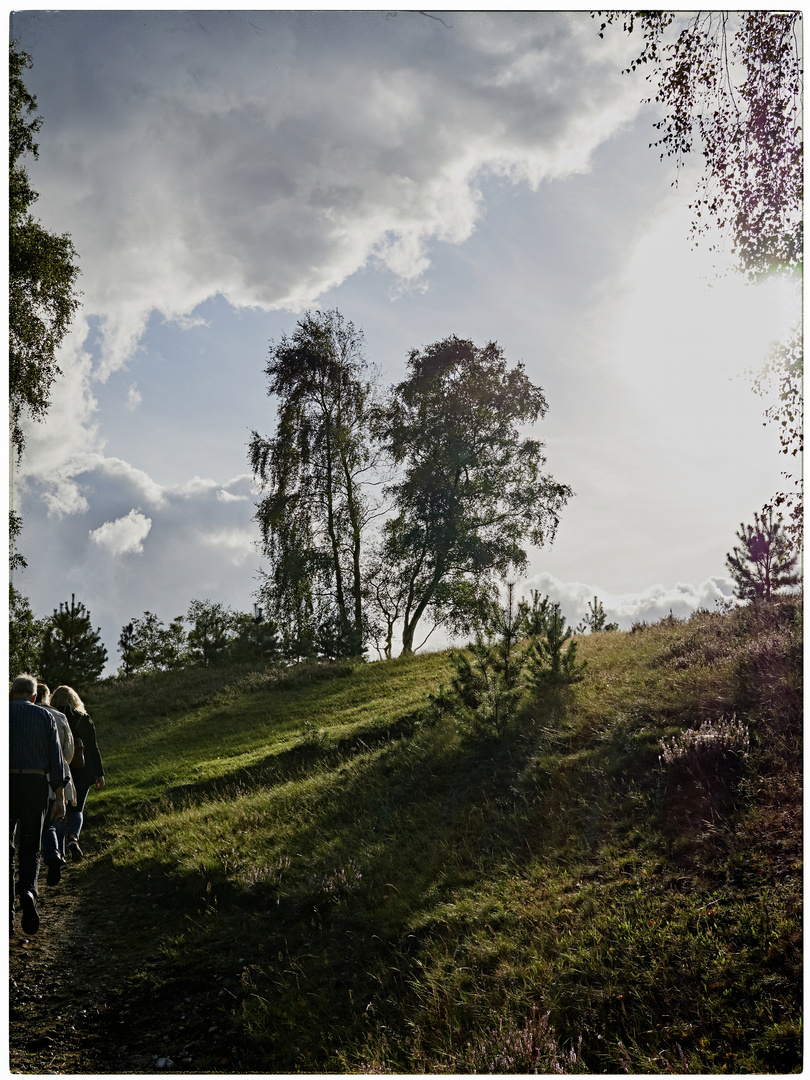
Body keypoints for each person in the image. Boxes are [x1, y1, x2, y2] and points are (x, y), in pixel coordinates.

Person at [10, 674, 70, 935]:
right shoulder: (45, 716)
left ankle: (6, 912)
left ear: (12, 694)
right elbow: (57, 759)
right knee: (31, 845)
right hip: (35, 785)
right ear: (34, 697)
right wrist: (60, 797)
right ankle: (28, 893)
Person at [49, 686, 106, 861]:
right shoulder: (85, 719)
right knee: (77, 808)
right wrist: (99, 774)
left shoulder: (52, 717)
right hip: (83, 770)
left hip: (59, 769)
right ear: (75, 700)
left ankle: (59, 852)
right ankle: (73, 838)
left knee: (58, 811)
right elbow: (94, 749)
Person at [35, 683, 75, 885]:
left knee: (40, 820)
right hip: (59, 773)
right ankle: (58, 854)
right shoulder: (59, 717)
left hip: (36, 773)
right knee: (57, 817)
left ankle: (50, 855)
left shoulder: (26, 714)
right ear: (47, 696)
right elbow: (68, 752)